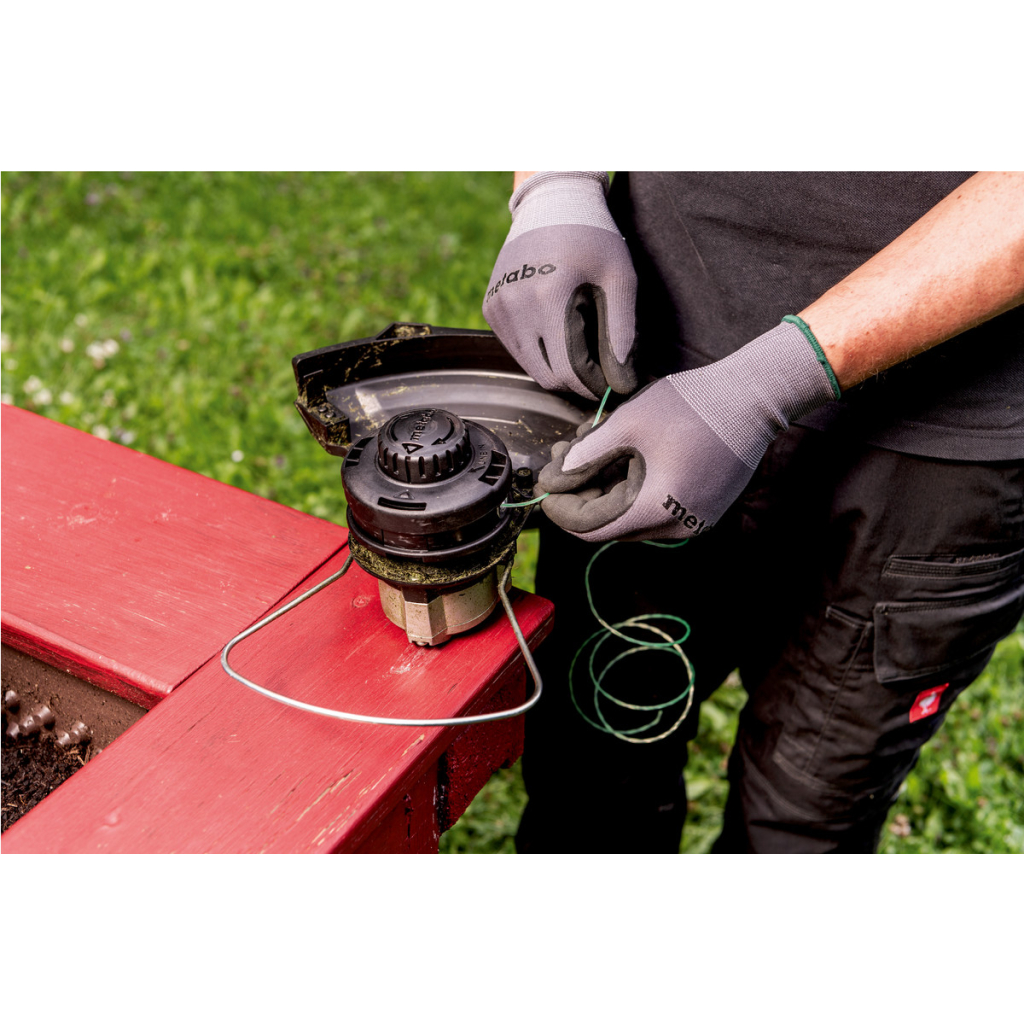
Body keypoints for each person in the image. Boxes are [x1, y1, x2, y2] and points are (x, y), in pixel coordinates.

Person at [482, 171, 1024, 853]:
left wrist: (772, 380)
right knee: (589, 774)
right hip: (652, 365)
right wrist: (556, 185)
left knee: (800, 827)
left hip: (943, 448)